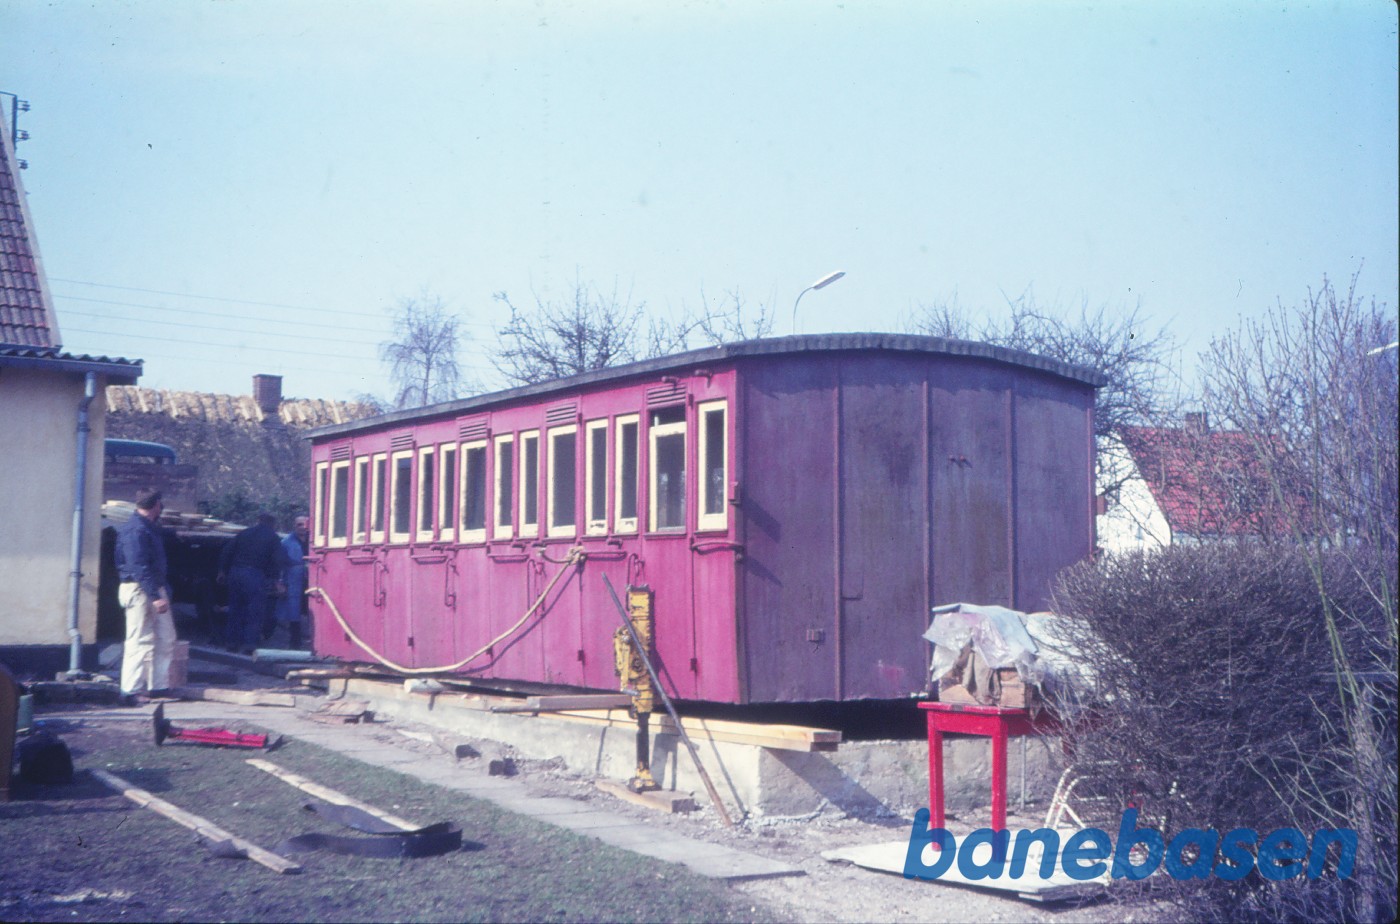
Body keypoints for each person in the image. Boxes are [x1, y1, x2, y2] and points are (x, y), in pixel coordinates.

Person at [114, 488, 177, 701]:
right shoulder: (135, 531)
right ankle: (130, 691)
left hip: (153, 587)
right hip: (139, 588)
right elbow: (139, 566)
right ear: (156, 506)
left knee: (166, 637)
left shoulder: (148, 528)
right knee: (138, 640)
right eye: (160, 504)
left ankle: (158, 687)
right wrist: (155, 596)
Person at [218, 511, 284, 655]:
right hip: (254, 575)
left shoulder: (244, 533)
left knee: (235, 609)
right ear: (273, 524)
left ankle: (231, 643)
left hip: (235, 573)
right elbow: (277, 560)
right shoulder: (273, 537)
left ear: (258, 520)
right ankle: (249, 645)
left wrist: (222, 571)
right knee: (254, 611)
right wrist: (277, 580)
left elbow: (226, 551)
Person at [274, 515, 311, 649]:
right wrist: (280, 582)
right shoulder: (286, 542)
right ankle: (294, 642)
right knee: (293, 610)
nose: (302, 527)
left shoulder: (314, 541)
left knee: (312, 608)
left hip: (312, 579)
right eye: (299, 525)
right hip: (294, 579)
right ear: (294, 526)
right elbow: (279, 564)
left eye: (304, 524)